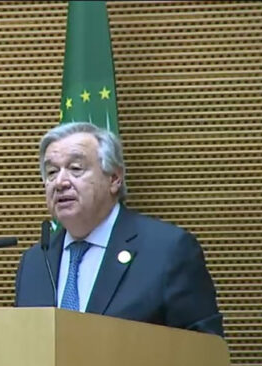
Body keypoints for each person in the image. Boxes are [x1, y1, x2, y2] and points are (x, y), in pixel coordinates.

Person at [14, 122, 224, 337]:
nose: (60, 182)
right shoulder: (35, 263)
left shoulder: (167, 251)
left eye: (76, 169)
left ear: (114, 178)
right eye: (51, 172)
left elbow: (204, 349)